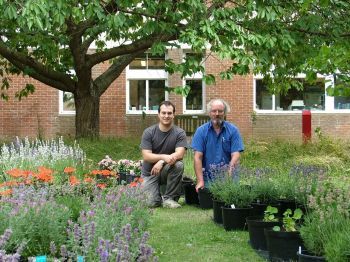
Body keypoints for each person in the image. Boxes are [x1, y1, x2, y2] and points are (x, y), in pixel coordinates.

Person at [140, 101, 188, 208]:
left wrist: (162, 161)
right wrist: (163, 157)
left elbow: (180, 154)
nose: (166, 116)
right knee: (151, 203)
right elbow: (146, 156)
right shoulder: (149, 132)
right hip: (150, 173)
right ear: (158, 114)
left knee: (178, 165)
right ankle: (158, 197)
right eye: (163, 113)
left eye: (169, 113)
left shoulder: (179, 133)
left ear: (173, 115)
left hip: (167, 170)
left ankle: (169, 199)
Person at [191, 98, 244, 191]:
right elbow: (197, 157)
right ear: (209, 113)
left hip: (229, 176)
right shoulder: (201, 131)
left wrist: (228, 175)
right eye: (214, 111)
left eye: (220, 111)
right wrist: (200, 181)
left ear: (224, 113)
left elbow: (236, 155)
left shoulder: (233, 130)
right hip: (208, 178)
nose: (217, 114)